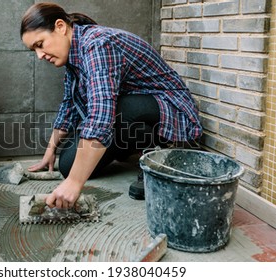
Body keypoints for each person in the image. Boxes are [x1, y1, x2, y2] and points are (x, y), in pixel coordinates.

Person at [20, 2, 202, 209]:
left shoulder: (98, 44)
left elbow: (101, 114)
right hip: (130, 110)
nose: (40, 55)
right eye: (33, 49)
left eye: (40, 44)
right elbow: (68, 106)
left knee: (112, 114)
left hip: (170, 108)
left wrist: (74, 183)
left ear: (60, 27)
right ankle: (136, 145)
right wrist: (50, 149)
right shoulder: (73, 56)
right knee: (68, 165)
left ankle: (157, 158)